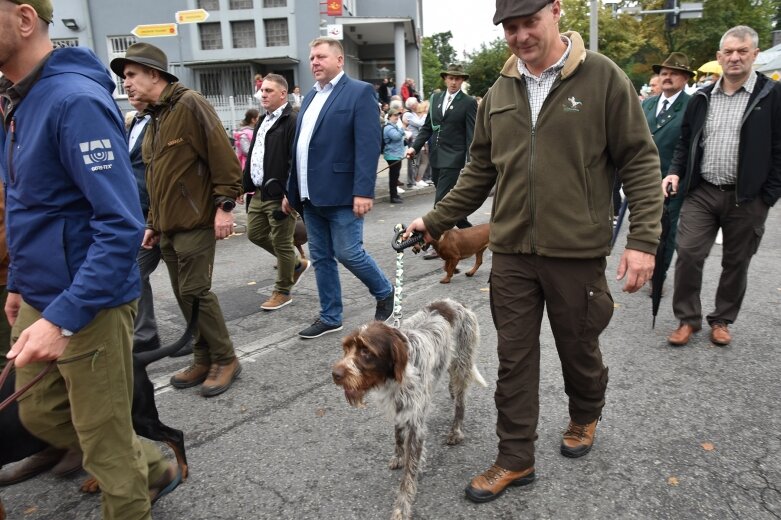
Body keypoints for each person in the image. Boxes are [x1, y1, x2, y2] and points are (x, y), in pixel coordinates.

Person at [406, 0, 663, 504]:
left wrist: (643, 242)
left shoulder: (603, 78)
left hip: (577, 251)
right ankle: (514, 458)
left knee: (579, 347)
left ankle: (585, 413)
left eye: (530, 23)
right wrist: (432, 219)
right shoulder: (499, 91)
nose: (520, 36)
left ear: (557, 12)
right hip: (513, 252)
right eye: (510, 27)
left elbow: (639, 160)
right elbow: (479, 171)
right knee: (515, 357)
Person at [0, 1, 180, 515]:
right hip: (40, 291)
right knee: (38, 412)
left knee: (103, 443)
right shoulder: (17, 100)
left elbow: (121, 223)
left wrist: (63, 316)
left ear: (25, 19)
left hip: (89, 301)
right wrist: (19, 281)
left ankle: (134, 480)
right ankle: (149, 459)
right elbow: (29, 204)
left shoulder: (73, 101)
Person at [111, 42, 243, 397]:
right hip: (167, 225)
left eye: (131, 75)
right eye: (124, 77)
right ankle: (202, 356)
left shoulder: (189, 104)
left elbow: (224, 158)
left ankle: (226, 358)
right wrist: (153, 222)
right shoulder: (156, 117)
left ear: (154, 74)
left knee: (195, 291)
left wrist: (225, 206)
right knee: (184, 294)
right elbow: (157, 180)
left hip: (196, 220)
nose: (126, 83)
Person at [662, 25, 781, 347]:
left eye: (742, 51)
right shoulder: (701, 97)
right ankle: (687, 319)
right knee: (687, 253)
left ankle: (722, 319)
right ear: (719, 57)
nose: (735, 58)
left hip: (748, 197)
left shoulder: (771, 95)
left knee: (736, 261)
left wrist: (768, 196)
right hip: (702, 191)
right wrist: (675, 172)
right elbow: (685, 143)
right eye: (728, 52)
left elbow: (779, 149)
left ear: (754, 55)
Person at [283, 37, 395, 339]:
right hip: (309, 195)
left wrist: (363, 191)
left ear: (339, 60)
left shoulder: (359, 93)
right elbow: (300, 148)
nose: (314, 62)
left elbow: (369, 145)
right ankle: (331, 316)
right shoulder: (308, 97)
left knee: (348, 252)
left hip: (343, 193)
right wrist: (290, 190)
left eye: (321, 57)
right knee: (320, 258)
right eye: (311, 58)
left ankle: (385, 291)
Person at [243, 73, 310, 311]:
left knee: (282, 242)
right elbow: (255, 155)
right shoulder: (263, 119)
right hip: (260, 192)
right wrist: (246, 186)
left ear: (283, 94)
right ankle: (295, 263)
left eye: (269, 91)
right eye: (262, 90)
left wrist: (290, 194)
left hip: (280, 193)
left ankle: (282, 292)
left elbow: (297, 160)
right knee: (255, 233)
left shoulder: (292, 120)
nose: (263, 94)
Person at [406, 62, 478, 253]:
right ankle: (472, 235)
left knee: (440, 202)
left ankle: (433, 243)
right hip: (436, 156)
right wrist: (414, 148)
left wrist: (472, 161)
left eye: (457, 78)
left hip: (454, 158)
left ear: (462, 80)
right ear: (445, 79)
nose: (454, 82)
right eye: (451, 78)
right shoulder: (435, 98)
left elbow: (472, 134)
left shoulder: (468, 102)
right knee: (449, 201)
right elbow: (427, 127)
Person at [641, 52, 694, 289]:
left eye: (674, 73)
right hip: (644, 179)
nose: (667, 77)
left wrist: (678, 173)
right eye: (664, 73)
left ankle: (658, 276)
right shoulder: (648, 104)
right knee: (644, 226)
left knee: (666, 232)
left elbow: (690, 144)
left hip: (672, 180)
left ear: (685, 78)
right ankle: (645, 264)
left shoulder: (692, 106)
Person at [383, 108, 405, 204]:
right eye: (395, 115)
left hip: (396, 154)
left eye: (398, 115)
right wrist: (403, 128)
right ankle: (393, 196)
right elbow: (396, 137)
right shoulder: (389, 128)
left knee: (395, 176)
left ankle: (395, 194)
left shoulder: (394, 126)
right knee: (393, 176)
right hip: (392, 155)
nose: (397, 117)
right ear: (389, 116)